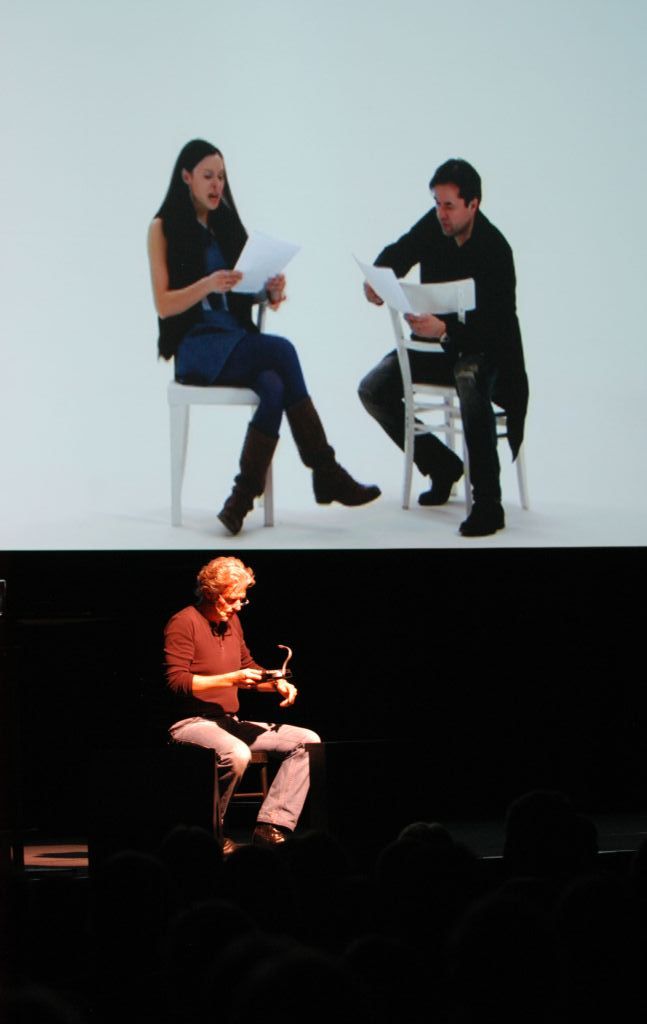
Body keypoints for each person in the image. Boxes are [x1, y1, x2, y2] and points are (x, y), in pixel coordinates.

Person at [149, 139, 379, 534]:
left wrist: (268, 292)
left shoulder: (225, 224)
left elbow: (239, 291)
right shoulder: (162, 228)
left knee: (273, 385)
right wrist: (206, 285)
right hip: (196, 348)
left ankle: (240, 501)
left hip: (234, 339)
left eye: (221, 176)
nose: (217, 184)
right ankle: (325, 469)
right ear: (186, 177)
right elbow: (163, 304)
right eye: (207, 176)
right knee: (283, 351)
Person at [359, 159, 528, 537]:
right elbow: (399, 252)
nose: (441, 213)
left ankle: (488, 503)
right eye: (437, 202)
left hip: (488, 355)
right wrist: (377, 280)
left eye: (449, 205)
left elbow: (497, 329)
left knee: (469, 377)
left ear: (473, 204)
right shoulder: (435, 225)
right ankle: (442, 465)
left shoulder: (497, 250)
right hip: (437, 350)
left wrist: (446, 329)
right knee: (373, 389)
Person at [164, 556, 321, 853]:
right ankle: (208, 833)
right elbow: (178, 682)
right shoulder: (183, 622)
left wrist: (275, 683)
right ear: (213, 594)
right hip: (191, 723)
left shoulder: (231, 623)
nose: (239, 605)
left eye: (243, 599)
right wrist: (231, 678)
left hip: (228, 721)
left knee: (307, 741)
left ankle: (272, 825)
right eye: (234, 599)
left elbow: (247, 666)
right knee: (235, 753)